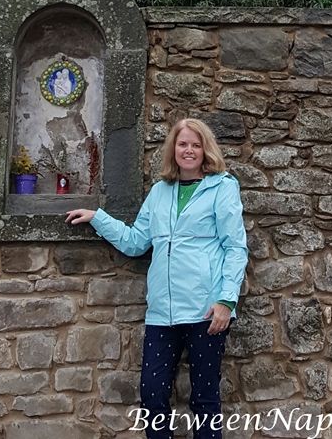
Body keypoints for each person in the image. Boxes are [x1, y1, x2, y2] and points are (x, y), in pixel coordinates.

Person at [65, 117, 248, 439]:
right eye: (182, 144)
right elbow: (137, 243)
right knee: (152, 396)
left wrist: (226, 300)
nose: (188, 150)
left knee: (205, 400)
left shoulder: (223, 187)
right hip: (162, 312)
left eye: (195, 144)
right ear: (173, 149)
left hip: (206, 310)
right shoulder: (161, 191)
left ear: (205, 149)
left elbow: (235, 248)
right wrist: (98, 218)